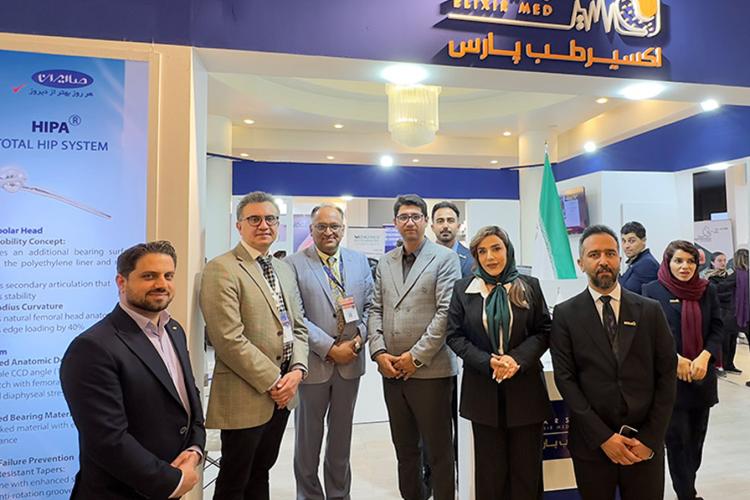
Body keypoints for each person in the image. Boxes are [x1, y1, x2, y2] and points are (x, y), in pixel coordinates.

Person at [60, 241, 205, 499]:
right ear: (121, 282)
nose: (161, 284)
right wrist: (172, 481)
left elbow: (188, 399)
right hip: (119, 492)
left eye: (168, 276)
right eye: (149, 276)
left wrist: (194, 450)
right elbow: (107, 439)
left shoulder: (174, 331)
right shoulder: (92, 347)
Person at [550, 225, 676, 500]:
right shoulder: (565, 314)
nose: (603, 261)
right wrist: (604, 438)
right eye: (594, 254)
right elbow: (566, 380)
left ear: (620, 259)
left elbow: (667, 376)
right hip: (592, 444)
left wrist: (650, 439)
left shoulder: (650, 311)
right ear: (581, 263)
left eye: (610, 253)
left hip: (643, 444)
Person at [200, 191, 309, 500]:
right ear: (239, 226)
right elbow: (227, 338)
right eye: (255, 219)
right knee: (235, 479)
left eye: (270, 219)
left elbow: (298, 325)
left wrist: (297, 371)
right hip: (246, 392)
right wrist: (276, 381)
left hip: (284, 392)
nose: (264, 225)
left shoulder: (283, 268)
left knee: (261, 471)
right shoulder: (222, 268)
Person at [446, 226, 551, 499]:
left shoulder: (529, 285)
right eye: (482, 251)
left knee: (527, 473)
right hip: (482, 392)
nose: (490, 257)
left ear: (508, 250)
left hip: (525, 391)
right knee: (490, 475)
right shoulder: (463, 289)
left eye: (496, 248)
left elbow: (544, 331)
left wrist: (517, 359)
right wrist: (487, 361)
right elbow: (454, 336)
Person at [368, 194, 461, 500]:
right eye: (403, 217)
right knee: (405, 451)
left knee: (439, 452)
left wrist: (415, 358)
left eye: (415, 216)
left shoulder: (445, 259)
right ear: (395, 223)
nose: (409, 222)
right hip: (392, 371)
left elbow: (445, 313)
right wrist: (379, 353)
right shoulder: (386, 262)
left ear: (425, 221)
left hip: (431, 371)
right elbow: (375, 308)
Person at [285, 204, 374, 500]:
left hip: (351, 364)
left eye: (334, 226)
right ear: (311, 230)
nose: (328, 232)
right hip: (313, 365)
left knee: (341, 439)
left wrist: (357, 342)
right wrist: (330, 349)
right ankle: (308, 495)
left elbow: (371, 306)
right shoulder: (294, 264)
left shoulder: (359, 261)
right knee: (307, 442)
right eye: (321, 226)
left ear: (343, 228)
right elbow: (296, 316)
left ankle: (339, 494)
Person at [643, 240, 723, 500]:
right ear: (668, 262)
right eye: (678, 261)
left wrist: (705, 357)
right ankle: (686, 494)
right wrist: (673, 359)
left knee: (696, 443)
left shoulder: (707, 290)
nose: (685, 266)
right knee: (677, 442)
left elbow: (717, 328)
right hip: (670, 382)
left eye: (690, 261)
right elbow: (648, 335)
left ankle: (688, 487)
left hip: (701, 378)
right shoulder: (651, 291)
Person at [705, 251, 741, 375]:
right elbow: (716, 294)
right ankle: (721, 364)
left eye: (724, 260)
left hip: (732, 311)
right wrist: (730, 294)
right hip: (721, 311)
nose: (723, 263)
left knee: (733, 338)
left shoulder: (730, 276)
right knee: (723, 340)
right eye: (719, 260)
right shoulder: (710, 278)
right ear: (712, 262)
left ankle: (729, 364)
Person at [431, 200, 474, 278]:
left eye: (450, 221)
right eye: (440, 221)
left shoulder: (472, 259)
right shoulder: (422, 258)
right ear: (433, 227)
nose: (445, 226)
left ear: (458, 226)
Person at [619, 221, 659, 294]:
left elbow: (625, 293)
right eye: (624, 241)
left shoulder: (647, 264)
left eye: (631, 241)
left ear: (643, 240)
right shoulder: (636, 261)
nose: (626, 246)